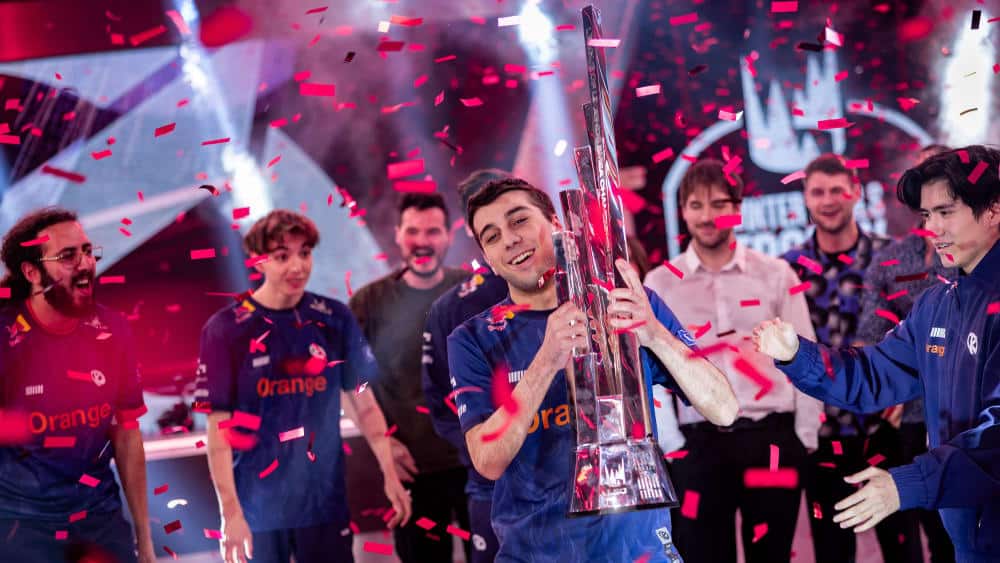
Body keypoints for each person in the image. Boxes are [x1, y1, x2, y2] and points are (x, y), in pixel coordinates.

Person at [448, 177, 740, 561]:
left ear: (555, 223)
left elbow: (724, 409)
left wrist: (654, 334)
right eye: (492, 236)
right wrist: (546, 359)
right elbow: (488, 461)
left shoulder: (626, 303)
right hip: (537, 555)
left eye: (519, 220)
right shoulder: (473, 339)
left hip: (642, 552)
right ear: (489, 259)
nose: (510, 239)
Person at [753, 145, 1000, 563]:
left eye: (946, 212)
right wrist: (798, 356)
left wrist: (907, 484)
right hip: (969, 540)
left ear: (993, 209)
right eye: (927, 215)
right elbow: (872, 374)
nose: (932, 228)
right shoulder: (938, 303)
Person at [196, 209, 412, 563]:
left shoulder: (334, 318)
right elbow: (219, 430)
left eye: (305, 253)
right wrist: (229, 512)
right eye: (282, 256)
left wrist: (389, 471)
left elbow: (363, 401)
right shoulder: (226, 329)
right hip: (258, 511)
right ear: (259, 260)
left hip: (324, 504)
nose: (297, 266)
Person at [645, 160, 822, 563]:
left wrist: (804, 437)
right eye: (696, 205)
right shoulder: (660, 282)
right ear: (683, 211)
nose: (707, 216)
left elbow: (805, 354)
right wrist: (672, 445)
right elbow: (653, 368)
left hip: (772, 438)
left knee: (773, 556)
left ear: (738, 208)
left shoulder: (776, 274)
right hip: (697, 443)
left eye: (719, 204)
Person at [781, 153, 917, 563]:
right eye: (818, 192)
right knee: (831, 550)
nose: (828, 201)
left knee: (903, 547)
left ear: (856, 192)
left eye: (837, 190)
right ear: (806, 198)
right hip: (821, 434)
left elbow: (922, 331)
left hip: (887, 427)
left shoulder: (893, 257)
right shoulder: (788, 270)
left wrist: (910, 397)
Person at [0, 207, 155, 562]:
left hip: (100, 521)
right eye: (68, 256)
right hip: (20, 529)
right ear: (31, 272)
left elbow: (127, 437)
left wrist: (144, 539)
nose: (85, 264)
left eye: (87, 251)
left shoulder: (113, 330)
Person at [350, 193, 470, 563]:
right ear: (398, 235)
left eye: (432, 231)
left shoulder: (473, 290)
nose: (422, 241)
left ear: (448, 236)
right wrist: (382, 443)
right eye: (413, 231)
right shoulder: (370, 302)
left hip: (480, 465)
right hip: (412, 470)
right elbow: (348, 383)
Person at [858, 143, 956, 562]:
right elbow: (869, 338)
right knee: (919, 535)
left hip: (971, 417)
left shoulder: (979, 254)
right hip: (910, 419)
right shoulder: (891, 260)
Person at [423, 169, 511, 563]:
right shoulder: (451, 309)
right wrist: (484, 448)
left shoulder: (567, 285)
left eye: (516, 216)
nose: (510, 236)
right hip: (493, 487)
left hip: (572, 481)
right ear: (474, 230)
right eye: (491, 224)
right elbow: (440, 401)